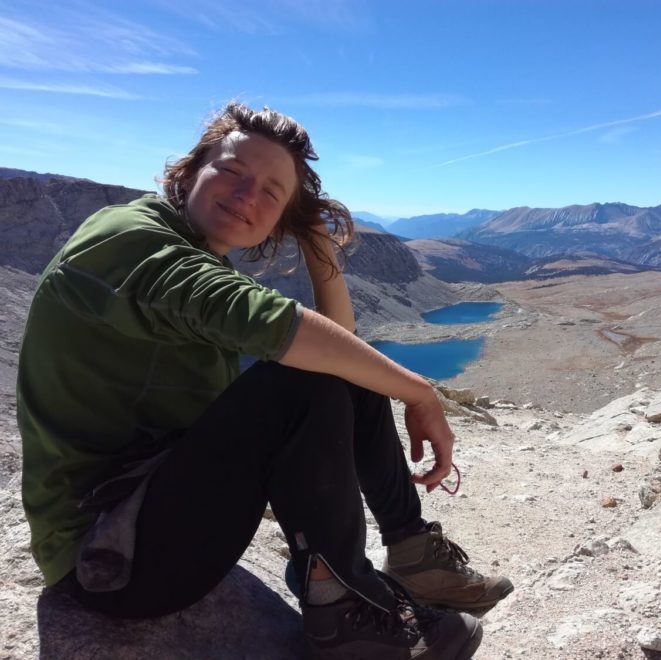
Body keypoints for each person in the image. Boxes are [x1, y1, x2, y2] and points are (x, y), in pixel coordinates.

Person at [17, 102, 512, 659]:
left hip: (153, 516)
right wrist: (421, 392)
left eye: (272, 192)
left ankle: (414, 553)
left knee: (339, 369)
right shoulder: (128, 236)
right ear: (188, 171)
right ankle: (348, 620)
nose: (247, 194)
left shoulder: (194, 257)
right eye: (232, 171)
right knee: (309, 376)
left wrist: (317, 243)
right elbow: (281, 328)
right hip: (109, 556)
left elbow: (337, 347)